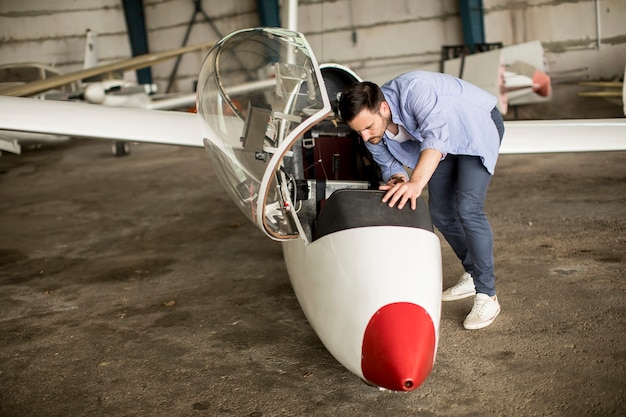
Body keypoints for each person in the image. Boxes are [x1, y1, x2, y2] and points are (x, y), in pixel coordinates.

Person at [338, 70, 505, 330]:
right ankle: (474, 272)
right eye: (358, 131)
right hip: (443, 142)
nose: (365, 136)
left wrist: (416, 182)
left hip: (475, 124)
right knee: (440, 213)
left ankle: (488, 294)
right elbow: (388, 162)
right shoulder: (370, 131)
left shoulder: (415, 90)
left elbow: (436, 139)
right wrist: (397, 178)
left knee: (468, 208)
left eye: (368, 127)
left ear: (383, 108)